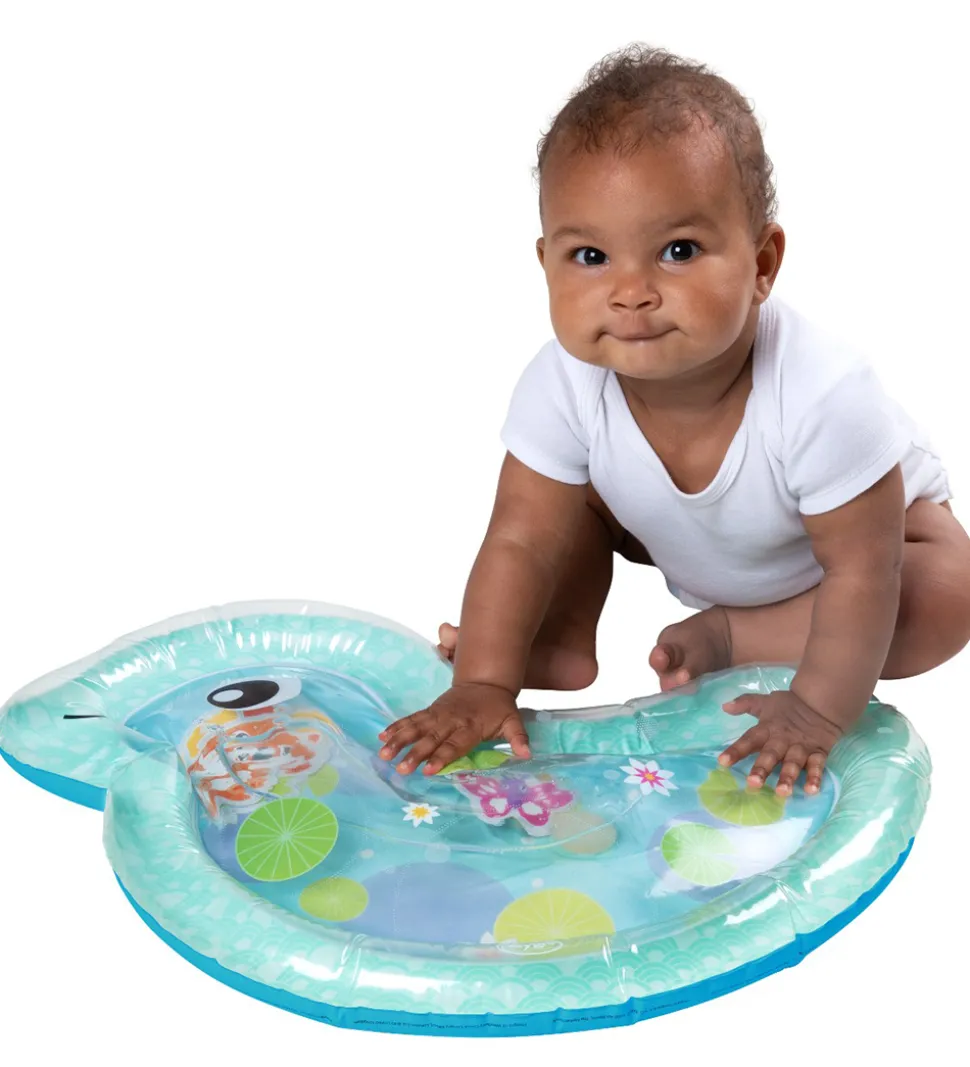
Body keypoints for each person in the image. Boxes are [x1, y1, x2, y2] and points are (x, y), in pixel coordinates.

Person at [379, 43, 970, 796]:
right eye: (590, 256)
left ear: (762, 263)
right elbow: (519, 537)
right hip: (686, 533)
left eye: (678, 250)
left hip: (856, 560)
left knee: (946, 594)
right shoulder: (563, 383)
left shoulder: (823, 393)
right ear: (546, 262)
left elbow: (862, 570)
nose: (630, 292)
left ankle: (734, 635)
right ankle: (556, 636)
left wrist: (816, 711)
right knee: (561, 504)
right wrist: (482, 680)